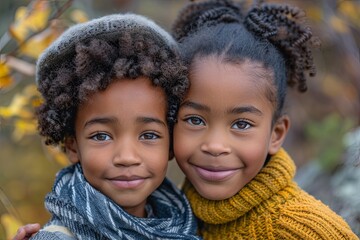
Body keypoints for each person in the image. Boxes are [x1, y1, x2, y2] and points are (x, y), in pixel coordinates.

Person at [171, 0, 358, 239]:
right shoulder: (170, 211)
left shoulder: (305, 231)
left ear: (276, 134)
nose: (215, 146)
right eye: (195, 120)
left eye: (242, 124)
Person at [16, 13, 200, 240]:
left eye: (149, 135)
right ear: (72, 145)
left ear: (171, 142)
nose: (127, 157)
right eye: (101, 136)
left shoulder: (183, 222)